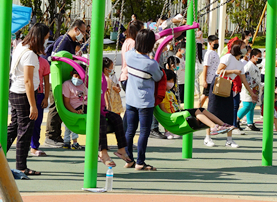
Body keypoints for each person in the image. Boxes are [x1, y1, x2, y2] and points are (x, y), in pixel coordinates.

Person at [62, 66, 132, 169]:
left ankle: (121, 149)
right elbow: (66, 102)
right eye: (76, 76)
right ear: (72, 74)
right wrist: (75, 111)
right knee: (100, 119)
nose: (78, 79)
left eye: (81, 77)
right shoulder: (67, 84)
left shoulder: (86, 82)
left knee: (116, 118)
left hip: (91, 106)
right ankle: (102, 152)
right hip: (78, 107)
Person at [6, 23, 48, 176]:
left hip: (15, 92)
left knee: (14, 127)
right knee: (25, 130)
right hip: (24, 94)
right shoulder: (30, 54)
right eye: (45, 39)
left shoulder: (20, 46)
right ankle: (21, 166)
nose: (45, 42)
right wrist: (33, 105)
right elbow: (28, 81)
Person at [158, 71, 235, 147]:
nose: (171, 83)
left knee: (202, 110)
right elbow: (163, 108)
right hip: (173, 115)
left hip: (178, 112)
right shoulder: (162, 93)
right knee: (196, 111)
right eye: (169, 81)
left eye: (172, 81)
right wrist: (169, 117)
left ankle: (223, 124)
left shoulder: (170, 92)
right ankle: (214, 127)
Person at [124, 28, 163, 170]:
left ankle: (128, 159)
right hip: (145, 101)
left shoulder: (129, 55)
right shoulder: (150, 64)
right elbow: (158, 76)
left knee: (130, 131)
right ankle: (140, 162)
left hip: (130, 99)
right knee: (144, 131)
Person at [45, 20, 86, 146]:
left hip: (61, 78)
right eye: (82, 32)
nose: (83, 35)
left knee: (59, 106)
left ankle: (56, 135)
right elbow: (59, 60)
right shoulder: (64, 41)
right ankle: (51, 136)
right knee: (56, 107)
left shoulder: (71, 42)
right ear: (76, 29)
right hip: (56, 79)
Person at [206, 43, 245, 147]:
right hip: (219, 84)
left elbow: (243, 78)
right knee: (212, 110)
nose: (246, 49)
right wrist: (233, 71)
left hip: (228, 86)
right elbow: (219, 71)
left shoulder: (241, 63)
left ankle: (229, 140)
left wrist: (251, 92)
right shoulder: (228, 57)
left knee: (229, 112)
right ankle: (207, 137)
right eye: (244, 47)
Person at [238, 49, 262, 131]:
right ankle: (235, 120)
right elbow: (246, 78)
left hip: (255, 89)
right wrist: (250, 89)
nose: (260, 59)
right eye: (258, 57)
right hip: (248, 89)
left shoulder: (255, 66)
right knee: (247, 105)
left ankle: (250, 123)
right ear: (253, 56)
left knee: (252, 106)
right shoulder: (248, 66)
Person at [199, 34, 220, 108]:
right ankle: (198, 109)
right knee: (205, 95)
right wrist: (204, 80)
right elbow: (205, 67)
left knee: (210, 96)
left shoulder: (215, 53)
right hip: (209, 79)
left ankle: (209, 110)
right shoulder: (208, 53)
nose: (217, 44)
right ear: (210, 43)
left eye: (217, 43)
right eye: (215, 43)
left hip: (214, 78)